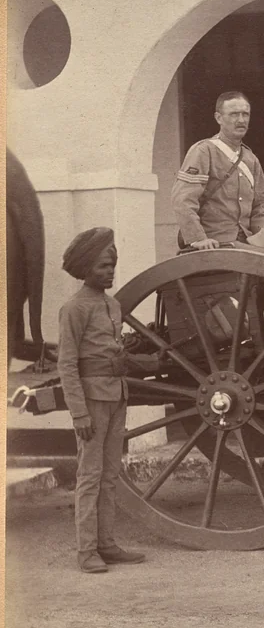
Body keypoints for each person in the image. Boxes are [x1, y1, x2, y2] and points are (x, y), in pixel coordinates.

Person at [58, 228, 158, 573]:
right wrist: (79, 413)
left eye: (112, 265)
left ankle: (107, 544)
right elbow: (67, 365)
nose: (110, 271)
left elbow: (117, 354)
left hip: (117, 396)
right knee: (90, 476)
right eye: (102, 266)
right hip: (92, 402)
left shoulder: (112, 305)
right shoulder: (74, 308)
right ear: (85, 269)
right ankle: (86, 551)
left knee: (110, 474)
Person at [172, 91, 264, 250]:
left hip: (246, 242)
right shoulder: (204, 151)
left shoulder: (250, 159)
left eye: (245, 114)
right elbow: (183, 199)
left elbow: (260, 207)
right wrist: (198, 239)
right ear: (219, 118)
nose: (241, 120)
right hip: (214, 243)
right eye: (234, 114)